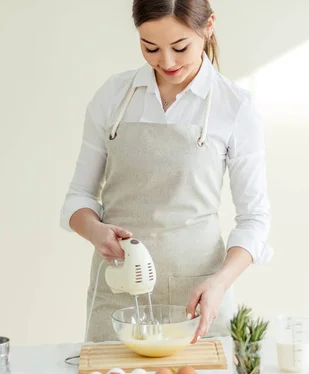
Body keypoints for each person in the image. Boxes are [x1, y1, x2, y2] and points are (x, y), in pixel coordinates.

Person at [60, 0, 272, 343]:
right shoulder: (114, 96)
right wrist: (95, 231)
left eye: (180, 47)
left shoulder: (234, 106)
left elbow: (254, 219)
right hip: (117, 293)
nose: (166, 62)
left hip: (199, 297)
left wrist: (219, 283)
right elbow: (79, 197)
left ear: (208, 27)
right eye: (150, 47)